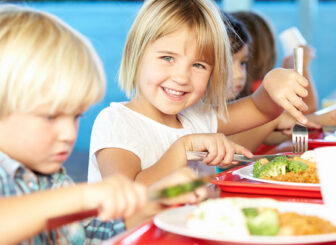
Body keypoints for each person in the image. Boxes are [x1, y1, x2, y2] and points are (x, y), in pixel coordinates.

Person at [0, 5, 205, 244]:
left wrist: (150, 203)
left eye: (76, 116)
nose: (68, 134)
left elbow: (83, 236)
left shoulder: (50, 177)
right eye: (50, 117)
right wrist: (81, 196)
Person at [88, 0, 312, 187]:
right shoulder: (116, 123)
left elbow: (259, 108)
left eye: (199, 65)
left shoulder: (197, 116)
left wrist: (271, 83)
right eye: (168, 58)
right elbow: (128, 196)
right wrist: (183, 148)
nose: (182, 77)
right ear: (136, 55)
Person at [225, 11, 336, 154]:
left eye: (243, 63)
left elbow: (268, 134)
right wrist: (299, 65)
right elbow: (235, 146)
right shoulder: (256, 92)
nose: (238, 74)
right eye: (227, 62)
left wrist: (318, 121)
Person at [231, 10, 318, 114]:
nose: (239, 74)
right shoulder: (262, 91)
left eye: (242, 63)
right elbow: (305, 110)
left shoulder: (257, 88)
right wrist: (301, 66)